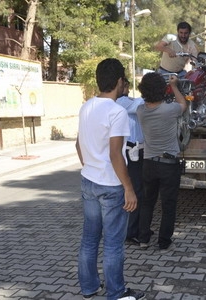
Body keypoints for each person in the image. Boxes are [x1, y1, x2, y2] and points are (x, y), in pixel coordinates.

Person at [75, 58, 145, 300]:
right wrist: (129, 188)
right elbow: (116, 154)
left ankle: (88, 287)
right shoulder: (117, 112)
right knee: (114, 243)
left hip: (89, 181)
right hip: (112, 186)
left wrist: (91, 167)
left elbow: (78, 144)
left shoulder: (87, 107)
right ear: (119, 82)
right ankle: (116, 293)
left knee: (90, 238)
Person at [136, 72, 187, 251]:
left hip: (149, 163)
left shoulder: (141, 111)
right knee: (168, 205)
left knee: (147, 202)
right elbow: (183, 104)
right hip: (168, 164)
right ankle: (164, 242)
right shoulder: (170, 109)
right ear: (162, 89)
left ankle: (143, 239)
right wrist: (174, 86)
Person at [116, 78, 145, 243]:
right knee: (135, 191)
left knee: (139, 189)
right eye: (126, 86)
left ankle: (137, 228)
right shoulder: (123, 102)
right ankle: (130, 231)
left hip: (135, 150)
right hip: (131, 151)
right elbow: (143, 101)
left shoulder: (127, 101)